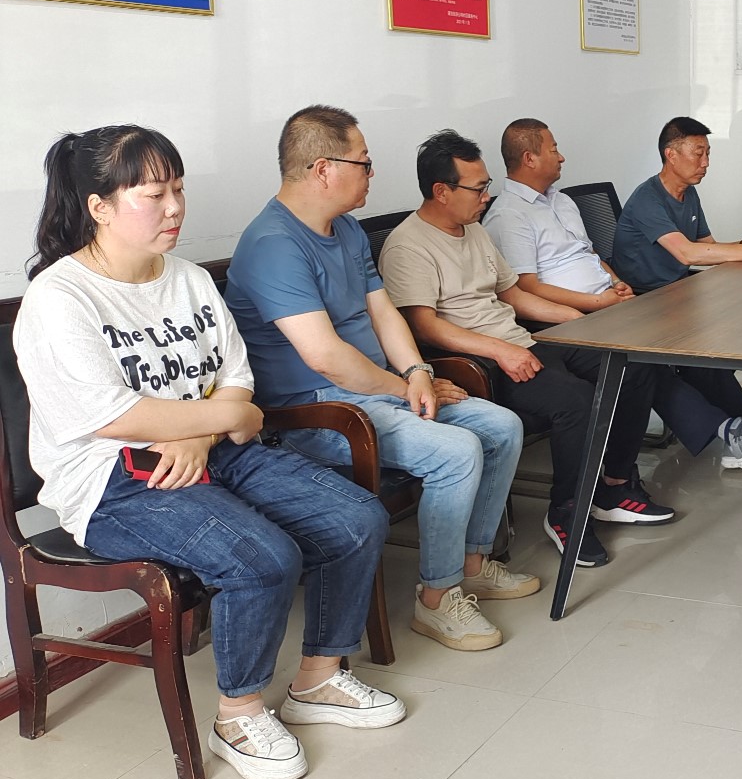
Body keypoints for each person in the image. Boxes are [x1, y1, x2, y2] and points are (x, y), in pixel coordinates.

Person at [15, 126, 405, 779]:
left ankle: (318, 679)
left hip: (213, 452)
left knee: (357, 518)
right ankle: (238, 715)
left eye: (178, 189)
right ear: (98, 205)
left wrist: (206, 431)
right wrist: (226, 417)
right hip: (115, 481)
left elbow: (236, 377)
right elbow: (113, 417)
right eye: (153, 194)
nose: (175, 208)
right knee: (262, 558)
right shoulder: (60, 298)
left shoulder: (190, 279)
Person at [225, 106, 534, 654]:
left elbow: (384, 311)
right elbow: (325, 358)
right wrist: (405, 389)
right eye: (363, 162)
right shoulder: (273, 243)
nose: (372, 172)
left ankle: (472, 564)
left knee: (502, 427)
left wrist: (417, 373)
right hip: (318, 412)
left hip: (378, 390)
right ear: (324, 169)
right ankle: (437, 598)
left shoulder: (345, 228)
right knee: (456, 451)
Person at [379, 131, 673, 571]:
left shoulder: (474, 230)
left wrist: (576, 318)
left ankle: (613, 486)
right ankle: (567, 513)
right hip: (479, 364)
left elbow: (513, 294)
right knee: (577, 401)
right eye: (478, 188)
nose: (486, 197)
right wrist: (500, 351)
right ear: (442, 191)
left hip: (521, 341)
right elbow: (423, 325)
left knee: (629, 367)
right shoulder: (408, 245)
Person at [485, 117, 742, 471]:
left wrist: (615, 283)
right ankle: (731, 431)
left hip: (613, 300)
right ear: (529, 158)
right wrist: (596, 304)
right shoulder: (509, 215)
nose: (562, 156)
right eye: (553, 149)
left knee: (696, 337)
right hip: (571, 316)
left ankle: (739, 426)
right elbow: (526, 287)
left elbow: (591, 256)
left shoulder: (562, 202)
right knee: (645, 360)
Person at [608, 115, 742, 467]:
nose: (706, 162)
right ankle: (735, 433)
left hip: (678, 292)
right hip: (642, 300)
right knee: (703, 339)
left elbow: (708, 245)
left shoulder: (689, 194)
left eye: (708, 153)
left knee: (731, 324)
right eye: (699, 153)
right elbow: (688, 253)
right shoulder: (648, 199)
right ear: (671, 155)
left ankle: (740, 430)